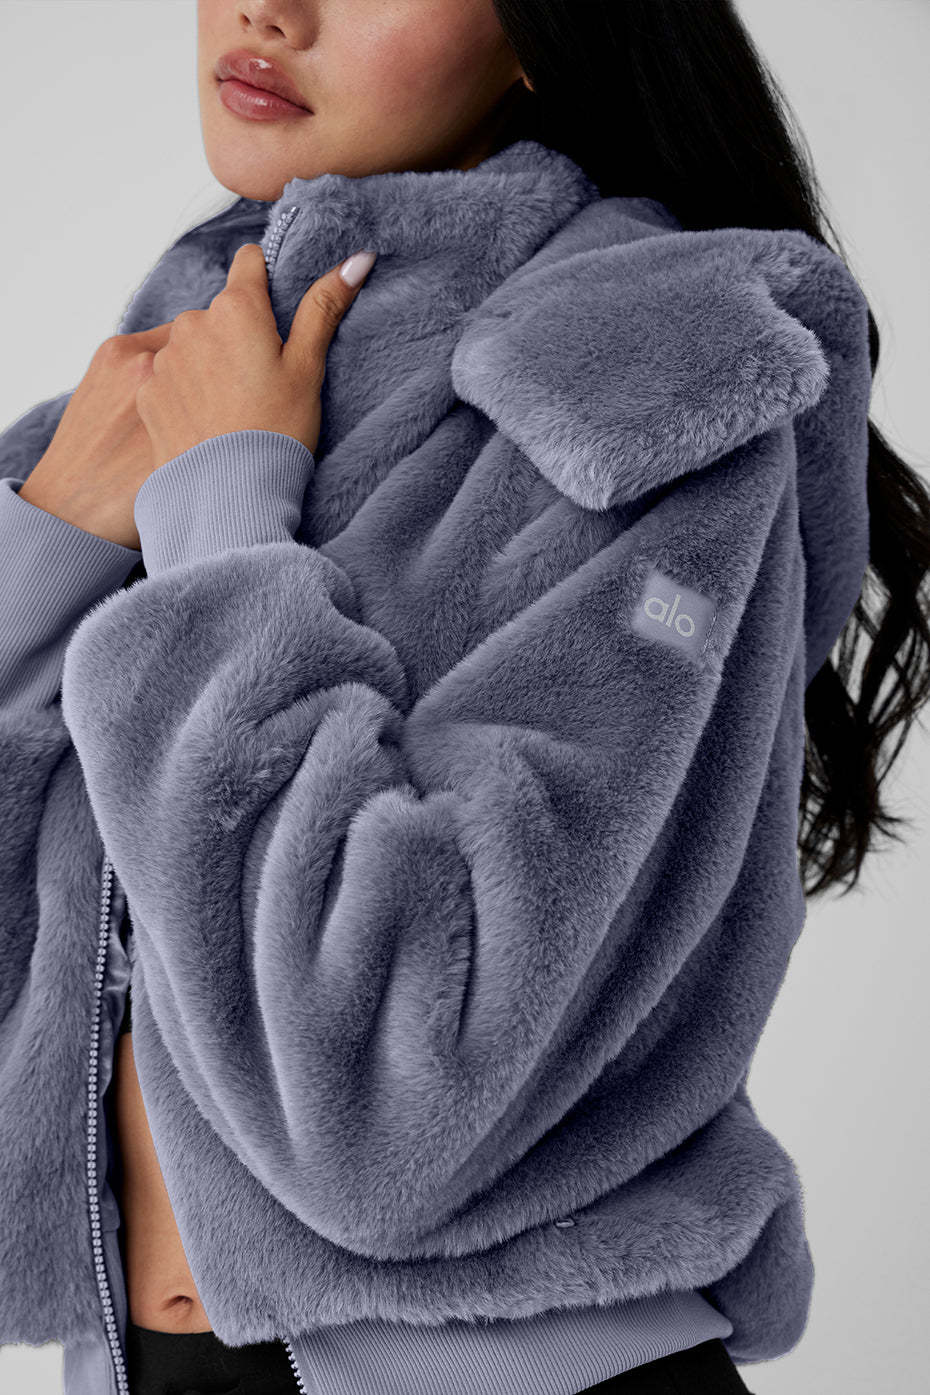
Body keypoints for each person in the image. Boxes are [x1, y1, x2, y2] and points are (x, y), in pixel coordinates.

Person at [1, 1, 928, 1393]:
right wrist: (47, 547)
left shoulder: (642, 375)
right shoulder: (181, 385)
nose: (270, 8)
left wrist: (227, 535)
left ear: (541, 27)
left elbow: (392, 1123)